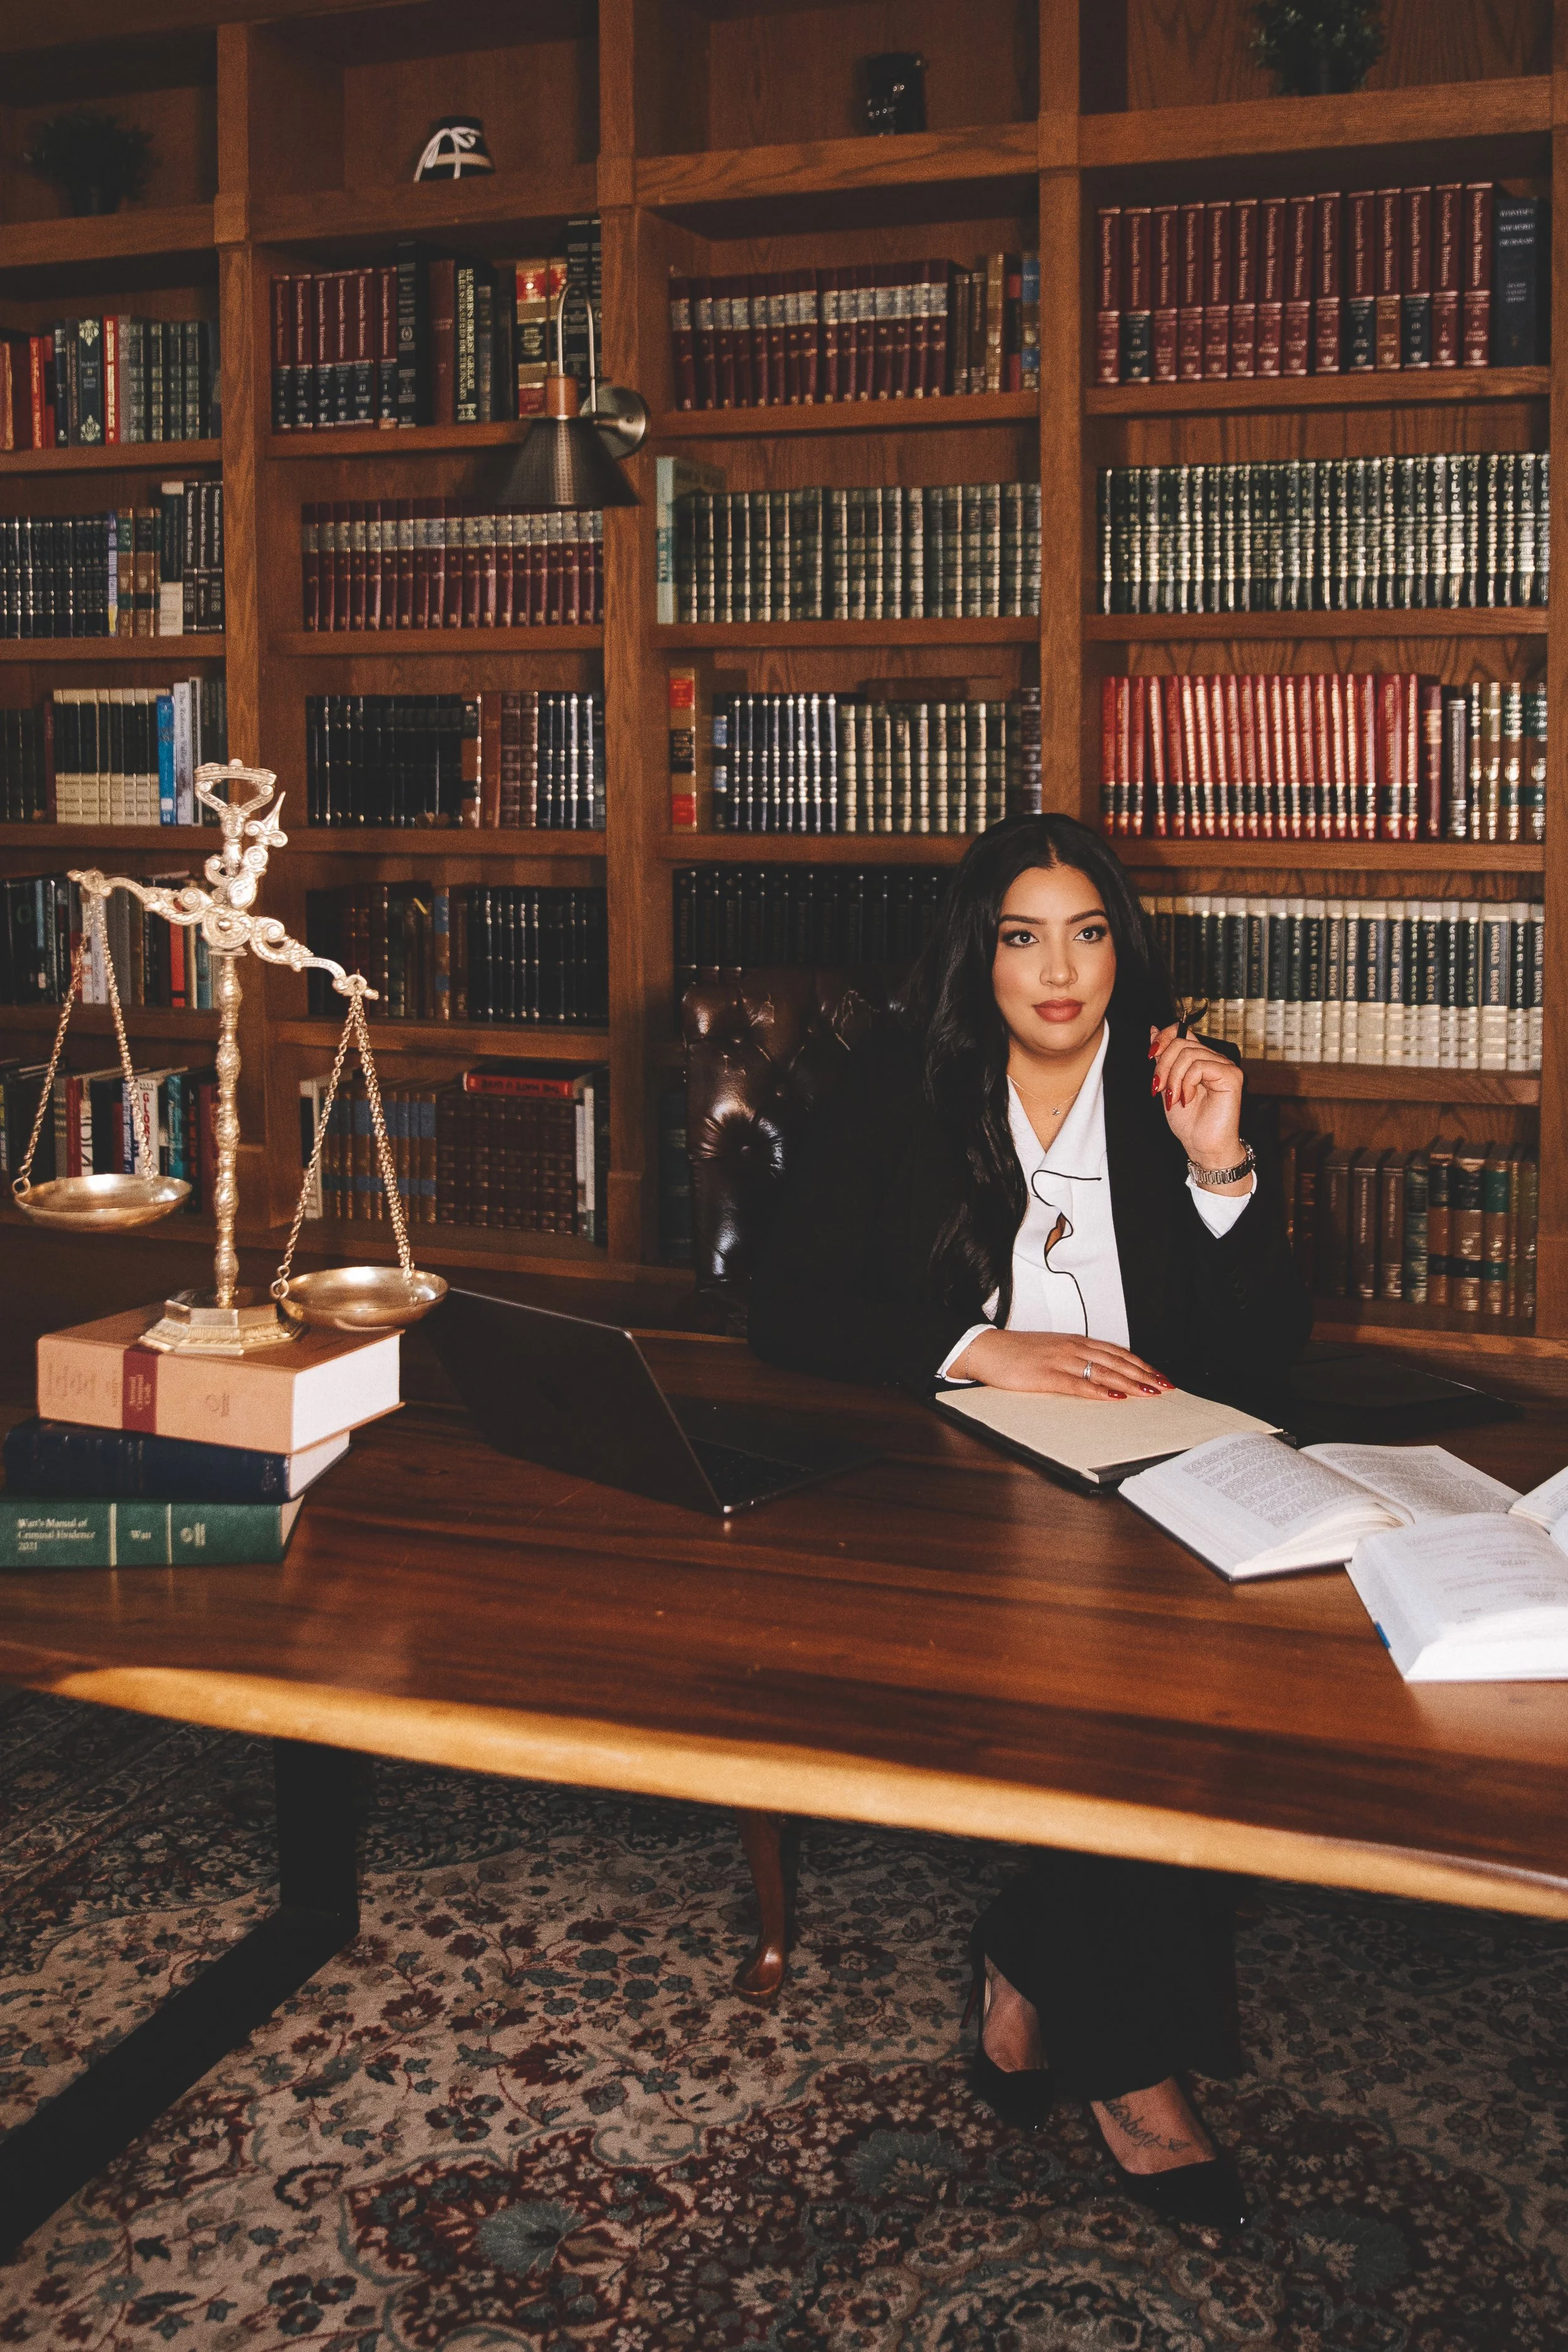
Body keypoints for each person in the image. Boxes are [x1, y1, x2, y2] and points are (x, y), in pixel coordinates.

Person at [749, 814, 1311, 2232]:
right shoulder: (900, 1087)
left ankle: (1026, 1951)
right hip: (950, 1491)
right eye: (1019, 935)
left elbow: (1258, 1371)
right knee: (1129, 1704)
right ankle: (1131, 2071)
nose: (1056, 971)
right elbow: (780, 1302)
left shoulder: (1167, 1092)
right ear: (976, 953)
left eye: (1085, 932)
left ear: (1121, 949)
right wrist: (976, 1346)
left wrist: (1220, 1168)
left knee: (1183, 1687)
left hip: (1145, 1484)